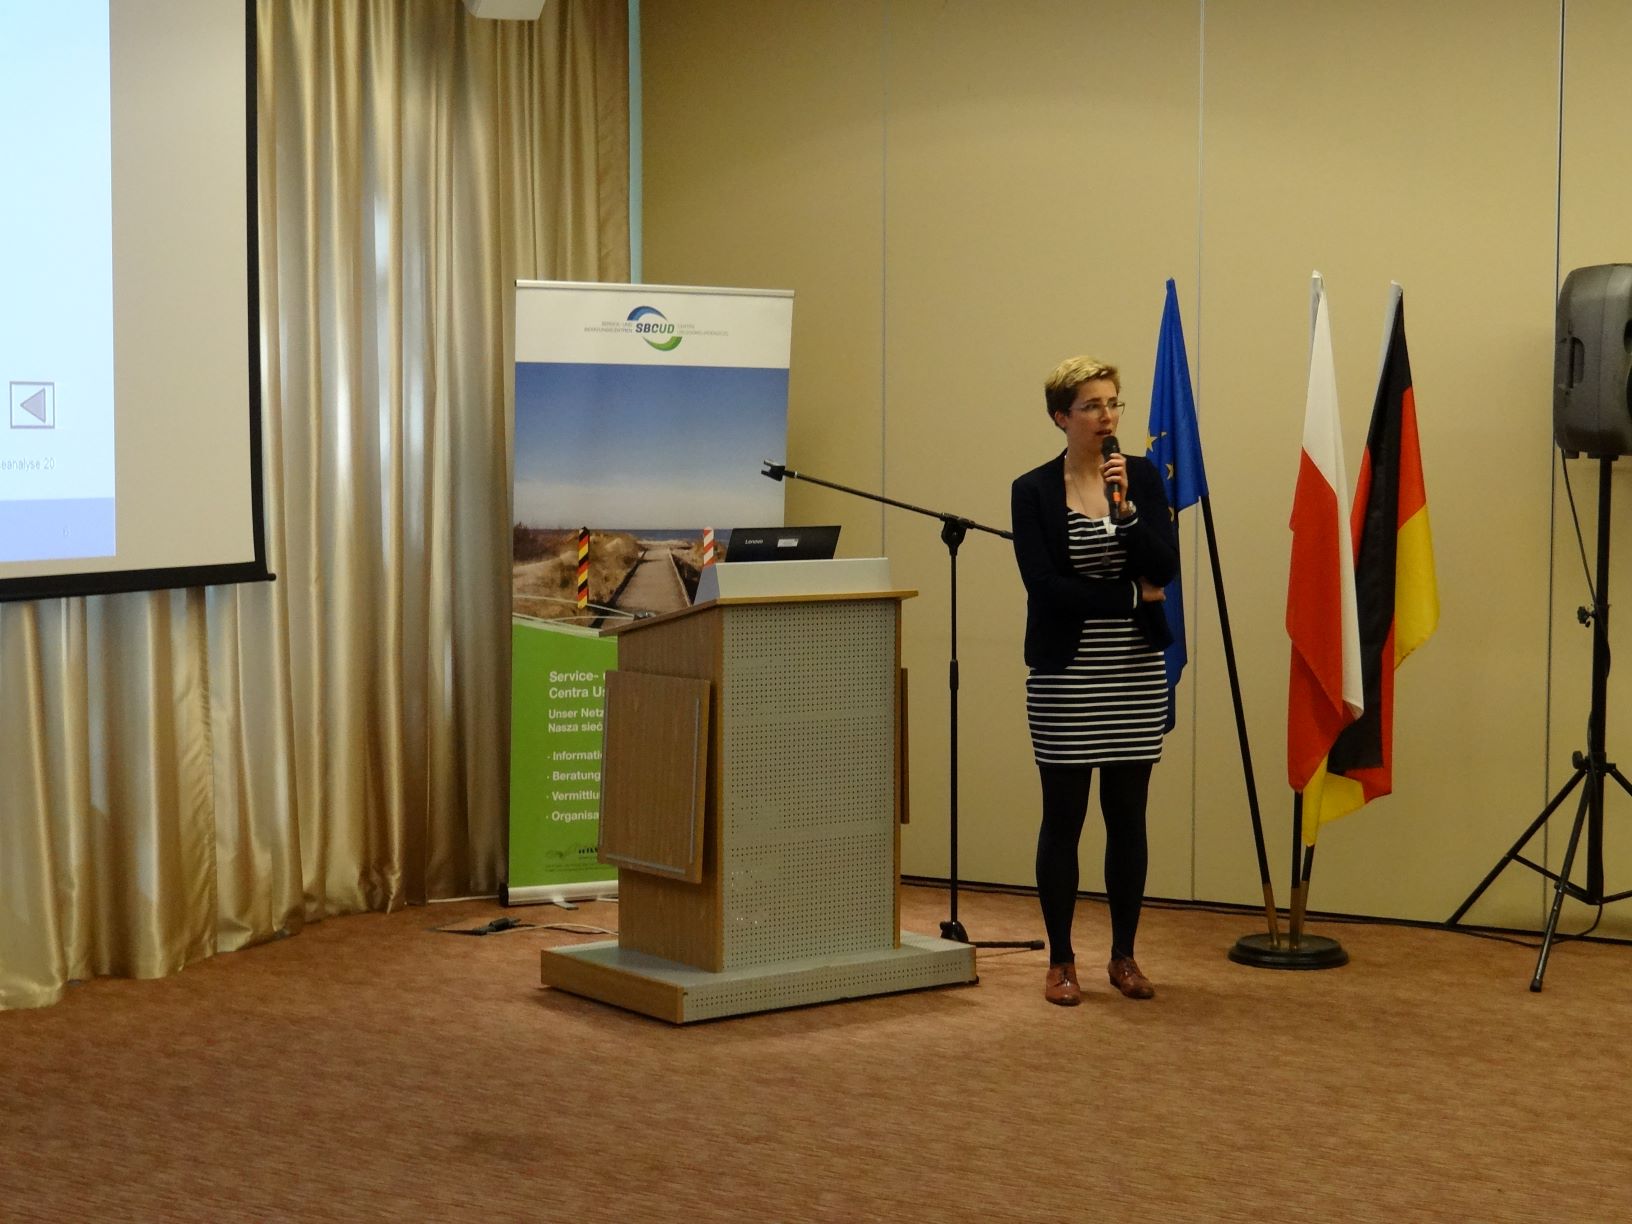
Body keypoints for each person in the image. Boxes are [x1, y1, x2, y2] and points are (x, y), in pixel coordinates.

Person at [1010, 356, 1179, 1006]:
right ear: (1062, 416)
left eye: (1113, 403)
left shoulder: (1140, 477)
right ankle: (1061, 961)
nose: (1107, 416)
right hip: (1067, 674)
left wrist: (1129, 513)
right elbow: (1045, 586)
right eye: (1092, 406)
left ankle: (1124, 956)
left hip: (1134, 672)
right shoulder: (1032, 490)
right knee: (1064, 817)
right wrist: (1131, 597)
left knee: (1128, 817)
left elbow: (1166, 565)